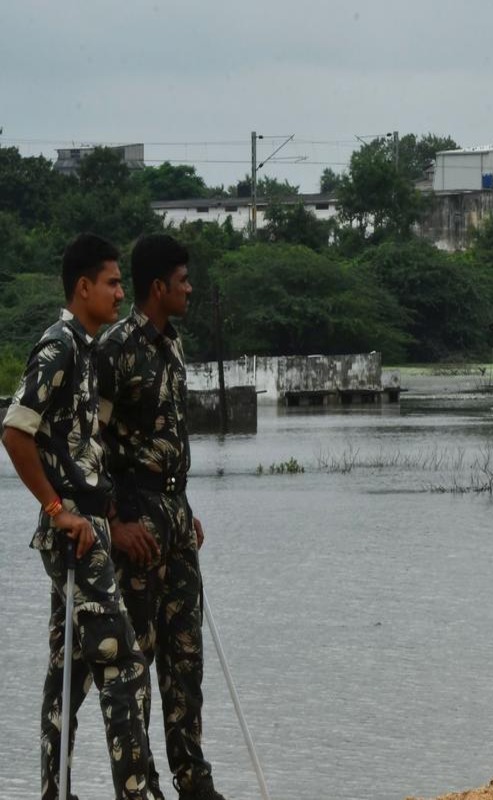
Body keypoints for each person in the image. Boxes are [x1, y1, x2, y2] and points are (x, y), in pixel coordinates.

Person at [2, 233, 156, 800]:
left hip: (90, 527)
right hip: (72, 535)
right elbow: (16, 431)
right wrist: (55, 509)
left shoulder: (89, 350)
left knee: (67, 674)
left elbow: (81, 448)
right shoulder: (59, 346)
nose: (120, 293)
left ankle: (52, 793)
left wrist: (108, 501)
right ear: (83, 286)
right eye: (112, 283)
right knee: (124, 664)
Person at [95, 233, 227, 800]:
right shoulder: (115, 349)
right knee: (138, 665)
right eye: (183, 281)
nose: (191, 289)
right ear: (158, 288)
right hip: (136, 523)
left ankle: (194, 784)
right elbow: (91, 446)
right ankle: (140, 789)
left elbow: (169, 437)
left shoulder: (173, 347)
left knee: (186, 659)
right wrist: (116, 524)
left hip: (174, 516)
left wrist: (183, 509)